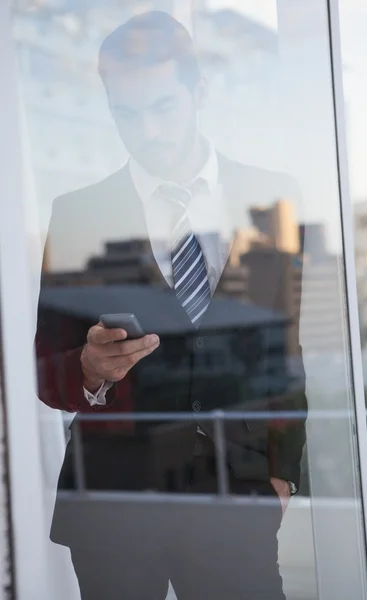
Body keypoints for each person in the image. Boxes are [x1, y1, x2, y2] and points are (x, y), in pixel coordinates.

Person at [36, 11, 307, 600]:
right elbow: (44, 368)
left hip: (237, 499)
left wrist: (282, 472)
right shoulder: (77, 213)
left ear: (199, 92)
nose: (147, 133)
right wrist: (85, 370)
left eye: (162, 109)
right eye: (125, 115)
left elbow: (290, 350)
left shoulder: (271, 200)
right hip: (113, 506)